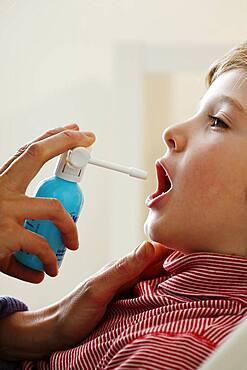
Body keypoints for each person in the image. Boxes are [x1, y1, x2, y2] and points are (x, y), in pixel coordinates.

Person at [1, 41, 247, 369]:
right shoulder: (151, 298)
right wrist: (44, 329)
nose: (171, 132)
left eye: (218, 120)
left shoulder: (171, 351)